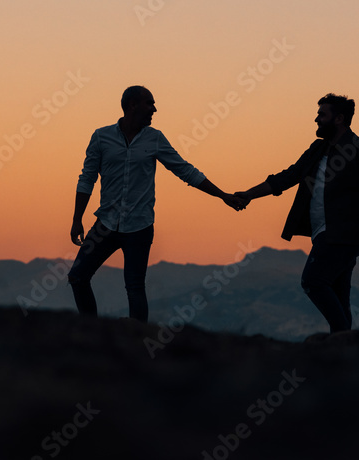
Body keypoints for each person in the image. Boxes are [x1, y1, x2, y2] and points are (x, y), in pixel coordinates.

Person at [69, 85, 245, 322]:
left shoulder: (155, 139)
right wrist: (76, 218)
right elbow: (87, 178)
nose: (154, 109)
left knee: (134, 287)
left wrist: (222, 195)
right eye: (149, 103)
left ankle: (137, 343)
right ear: (132, 105)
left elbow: (184, 170)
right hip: (105, 225)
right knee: (78, 276)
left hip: (139, 227)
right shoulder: (101, 137)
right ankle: (92, 332)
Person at [235, 93, 359, 333]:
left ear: (338, 119)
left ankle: (343, 339)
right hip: (322, 233)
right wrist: (249, 194)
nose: (316, 119)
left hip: (343, 235)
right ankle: (345, 349)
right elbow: (290, 176)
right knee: (338, 293)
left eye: (321, 115)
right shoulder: (318, 148)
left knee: (313, 281)